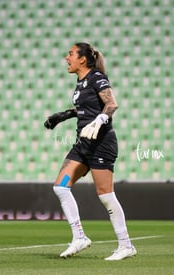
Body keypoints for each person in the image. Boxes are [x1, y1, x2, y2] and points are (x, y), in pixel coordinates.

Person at [44, 42, 136, 261]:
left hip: (101, 143)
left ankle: (126, 245)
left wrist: (101, 119)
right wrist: (64, 115)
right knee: (60, 187)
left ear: (82, 59)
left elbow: (111, 104)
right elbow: (87, 108)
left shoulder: (96, 77)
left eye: (71, 54)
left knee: (105, 195)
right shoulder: (81, 82)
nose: (67, 58)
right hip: (83, 143)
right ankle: (79, 237)